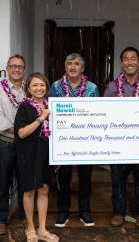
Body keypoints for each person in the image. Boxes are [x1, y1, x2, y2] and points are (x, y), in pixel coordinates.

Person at [103, 47, 139, 228]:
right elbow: (104, 114)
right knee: (118, 179)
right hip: (119, 142)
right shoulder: (111, 87)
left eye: (133, 58)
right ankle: (118, 212)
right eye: (126, 59)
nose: (130, 62)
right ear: (121, 62)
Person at [49, 53, 99, 227]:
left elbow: (97, 113)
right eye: (69, 63)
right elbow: (50, 112)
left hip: (85, 140)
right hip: (63, 140)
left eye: (76, 64)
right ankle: (63, 211)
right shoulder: (55, 87)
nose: (72, 67)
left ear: (82, 68)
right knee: (64, 177)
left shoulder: (92, 88)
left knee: (85, 176)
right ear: (65, 67)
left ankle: (85, 212)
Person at [14, 72, 59, 242]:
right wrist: (42, 117)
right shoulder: (25, 107)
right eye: (35, 85)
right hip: (29, 155)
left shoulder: (52, 105)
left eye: (42, 85)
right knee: (29, 191)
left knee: (44, 190)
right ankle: (30, 228)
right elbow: (22, 132)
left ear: (47, 87)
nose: (39, 88)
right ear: (28, 89)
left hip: (46, 155)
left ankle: (42, 229)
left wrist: (59, 157)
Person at [0, 54, 26, 235]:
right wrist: (20, 131)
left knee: (26, 182)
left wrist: (27, 132)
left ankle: (24, 216)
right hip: (6, 143)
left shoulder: (30, 88)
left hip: (27, 145)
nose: (16, 69)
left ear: (24, 70)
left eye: (20, 66)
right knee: (3, 182)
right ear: (7, 68)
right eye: (13, 66)